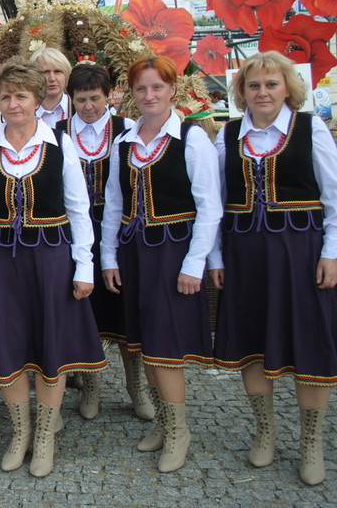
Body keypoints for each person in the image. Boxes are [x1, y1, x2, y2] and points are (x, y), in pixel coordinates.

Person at [0, 59, 106, 478]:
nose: (12, 104)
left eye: (20, 95)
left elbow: (80, 211)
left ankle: (44, 436)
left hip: (52, 261)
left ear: (37, 97)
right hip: (0, 263)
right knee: (8, 346)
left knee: (49, 347)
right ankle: (19, 432)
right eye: (4, 96)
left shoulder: (61, 145)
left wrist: (85, 267)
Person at [208, 51, 337, 486]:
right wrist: (215, 258)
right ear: (242, 92)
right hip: (245, 257)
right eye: (254, 85)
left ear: (288, 88)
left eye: (271, 84)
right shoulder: (225, 137)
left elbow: (335, 199)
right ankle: (265, 431)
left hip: (301, 253)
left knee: (310, 341)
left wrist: (331, 253)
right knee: (253, 342)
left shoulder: (310, 129)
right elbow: (214, 205)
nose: (262, 93)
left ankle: (311, 441)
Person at [101, 55, 220, 474]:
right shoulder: (125, 142)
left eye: (157, 87)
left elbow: (209, 208)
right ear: (131, 95)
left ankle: (179, 430)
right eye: (141, 89)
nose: (149, 95)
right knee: (146, 342)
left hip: (173, 255)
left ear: (172, 89)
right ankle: (166, 424)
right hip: (136, 253)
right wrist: (109, 256)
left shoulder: (192, 139)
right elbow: (114, 204)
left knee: (166, 347)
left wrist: (194, 264)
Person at [55, 65, 151, 422]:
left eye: (95, 98)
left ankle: (135, 385)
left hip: (119, 232)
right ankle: (91, 385)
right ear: (71, 99)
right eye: (81, 99)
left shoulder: (128, 130)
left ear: (110, 95)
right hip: (73, 234)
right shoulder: (57, 133)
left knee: (125, 311)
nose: (89, 106)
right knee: (85, 310)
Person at [29, 48, 72, 128]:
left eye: (57, 72)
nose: (52, 78)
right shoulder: (26, 109)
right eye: (45, 72)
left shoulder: (77, 107)